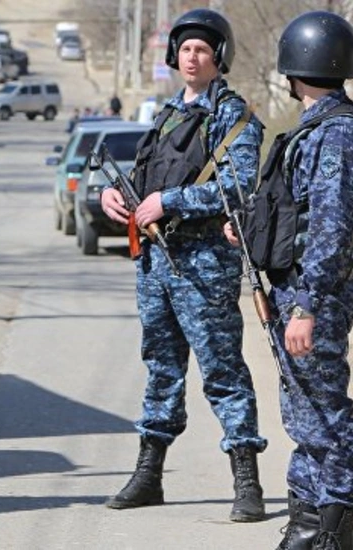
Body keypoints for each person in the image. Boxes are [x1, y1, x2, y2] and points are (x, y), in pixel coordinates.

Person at [99, 8, 267, 522]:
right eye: (185, 49)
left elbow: (234, 187)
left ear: (219, 58)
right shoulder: (167, 115)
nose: (192, 58)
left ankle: (247, 483)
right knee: (160, 370)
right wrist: (115, 196)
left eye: (202, 49)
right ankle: (149, 475)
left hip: (205, 267)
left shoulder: (234, 116)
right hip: (155, 264)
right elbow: (143, 175)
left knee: (223, 372)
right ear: (174, 56)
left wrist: (169, 202)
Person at [227, 11, 353, 549]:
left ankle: (337, 526)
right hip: (295, 291)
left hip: (311, 297)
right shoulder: (313, 129)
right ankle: (306, 524)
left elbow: (333, 228)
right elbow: (297, 215)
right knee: (304, 414)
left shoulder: (337, 133)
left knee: (326, 414)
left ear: (292, 68)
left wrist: (307, 306)